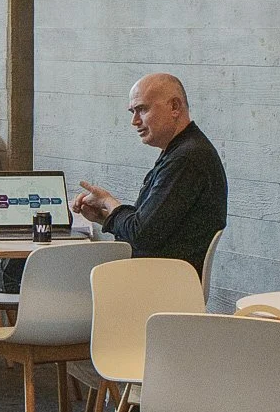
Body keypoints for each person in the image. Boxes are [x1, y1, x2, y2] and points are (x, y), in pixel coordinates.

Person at [71, 73, 226, 270]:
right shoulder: (181, 152)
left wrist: (107, 201)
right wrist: (103, 217)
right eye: (132, 112)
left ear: (175, 107)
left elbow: (142, 234)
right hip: (156, 278)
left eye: (142, 109)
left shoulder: (186, 159)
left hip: (162, 284)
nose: (134, 121)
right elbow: (149, 227)